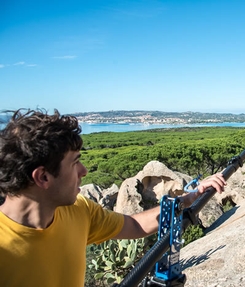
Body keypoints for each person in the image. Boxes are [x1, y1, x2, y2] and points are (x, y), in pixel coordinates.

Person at [0, 109, 227, 287]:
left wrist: (190, 197)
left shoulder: (80, 210)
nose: (84, 171)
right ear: (42, 177)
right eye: (74, 162)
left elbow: (135, 225)